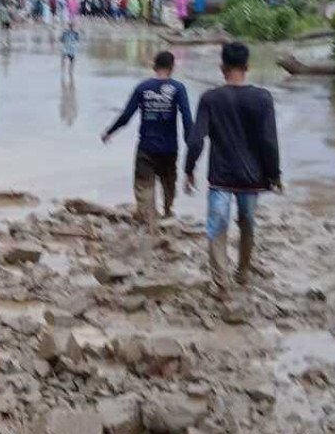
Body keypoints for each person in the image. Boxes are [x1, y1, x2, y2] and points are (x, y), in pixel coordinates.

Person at [183, 42, 281, 298]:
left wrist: (189, 168)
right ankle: (243, 272)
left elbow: (196, 139)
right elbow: (269, 140)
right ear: (247, 67)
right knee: (247, 224)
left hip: (221, 178)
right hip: (252, 179)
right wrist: (275, 175)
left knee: (217, 226)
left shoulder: (210, 99)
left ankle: (222, 282)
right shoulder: (263, 98)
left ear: (222, 68)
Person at [101, 51, 193, 229]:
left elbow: (126, 115)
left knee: (144, 186)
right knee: (168, 185)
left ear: (154, 66)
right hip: (169, 148)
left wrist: (109, 132)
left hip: (146, 147)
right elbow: (187, 120)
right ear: (172, 68)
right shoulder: (178, 88)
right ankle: (167, 213)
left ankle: (148, 221)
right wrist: (192, 148)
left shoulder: (143, 87)